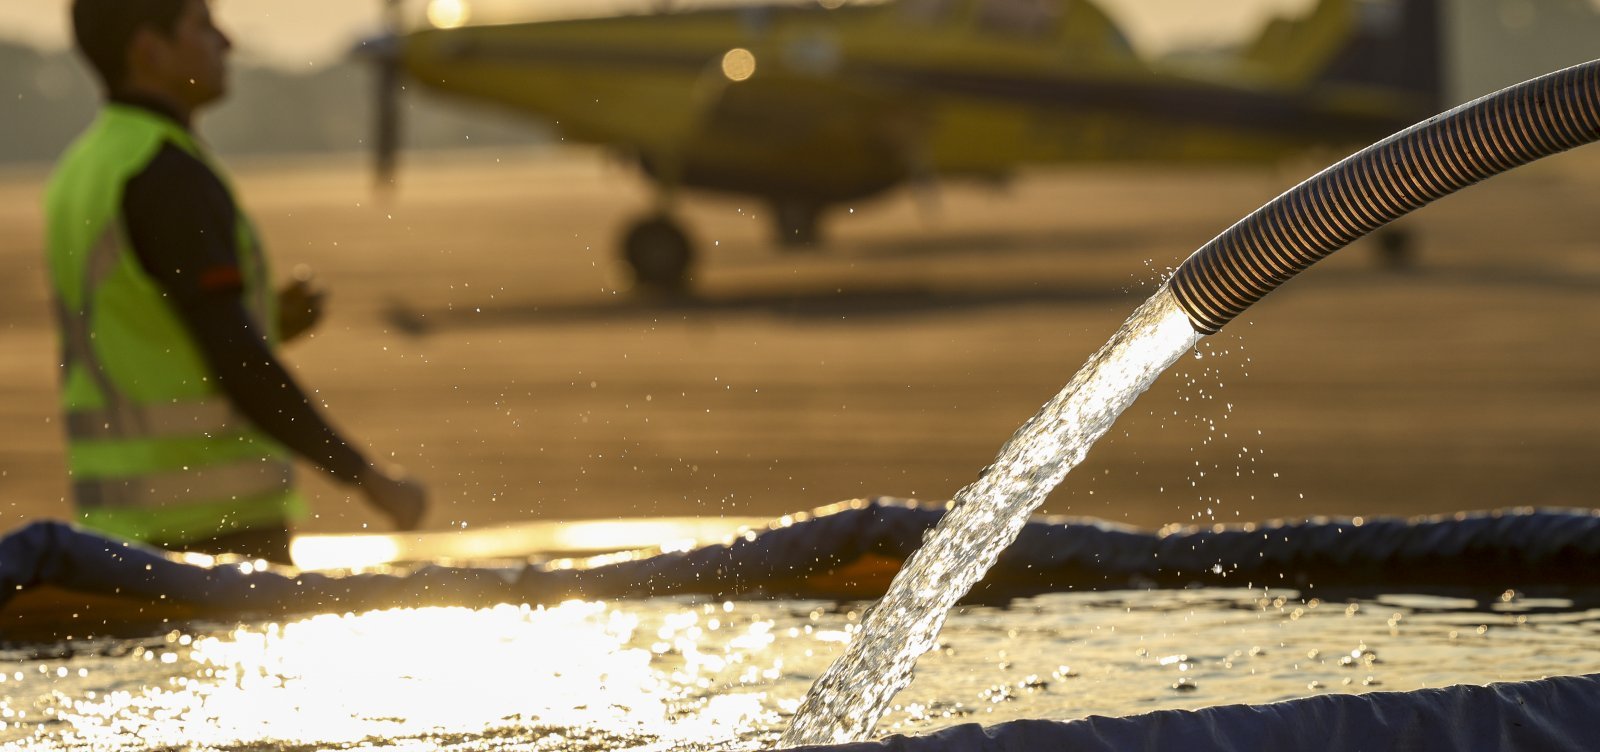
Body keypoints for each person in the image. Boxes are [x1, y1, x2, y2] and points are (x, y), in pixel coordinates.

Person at [42, 0, 427, 564]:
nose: (227, 42)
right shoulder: (168, 174)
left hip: (120, 533)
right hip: (216, 534)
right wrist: (369, 478)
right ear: (149, 51)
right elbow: (238, 360)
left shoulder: (84, 170)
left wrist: (265, 320)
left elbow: (141, 331)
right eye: (202, 26)